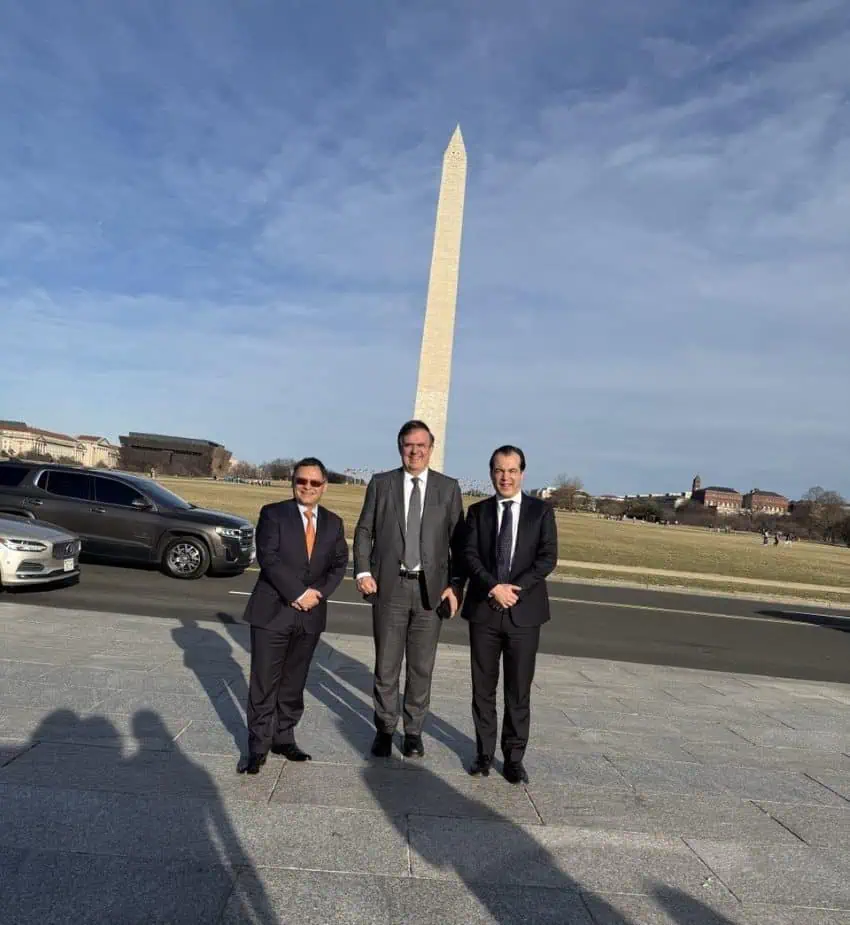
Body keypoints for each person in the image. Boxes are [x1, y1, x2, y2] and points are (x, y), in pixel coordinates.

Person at [353, 420, 465, 759]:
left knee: (421, 667)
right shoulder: (382, 483)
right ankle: (385, 728)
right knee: (386, 665)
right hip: (390, 587)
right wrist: (362, 570)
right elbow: (363, 530)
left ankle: (413, 731)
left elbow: (458, 544)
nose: (414, 451)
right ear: (400, 447)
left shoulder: (448, 489)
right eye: (408, 445)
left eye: (421, 445)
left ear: (431, 448)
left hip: (430, 591)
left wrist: (456, 586)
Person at [238, 457, 349, 774]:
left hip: (310, 615)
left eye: (315, 483)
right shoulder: (273, 514)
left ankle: (283, 738)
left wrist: (318, 594)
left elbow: (339, 564)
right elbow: (268, 559)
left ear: (324, 486)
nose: (308, 487)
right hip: (273, 611)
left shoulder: (333, 522)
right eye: (302, 481)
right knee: (264, 683)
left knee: (293, 683)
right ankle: (257, 747)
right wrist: (297, 593)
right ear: (293, 482)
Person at [461, 445, 558, 784]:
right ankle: (484, 754)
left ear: (522, 473)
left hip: (524, 613)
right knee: (482, 689)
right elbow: (469, 555)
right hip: (485, 611)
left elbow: (547, 559)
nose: (505, 477)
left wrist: (513, 588)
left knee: (518, 691)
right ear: (491, 473)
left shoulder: (541, 512)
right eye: (500, 470)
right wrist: (493, 587)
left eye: (512, 470)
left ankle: (514, 758)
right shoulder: (477, 512)